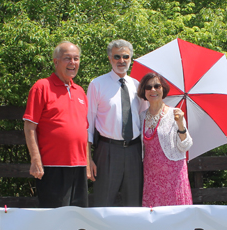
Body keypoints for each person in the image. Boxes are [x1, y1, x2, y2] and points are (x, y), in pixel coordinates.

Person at [23, 41, 88, 208]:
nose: (73, 63)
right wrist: (35, 159)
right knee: (54, 221)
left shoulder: (80, 91)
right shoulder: (42, 87)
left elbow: (84, 130)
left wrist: (87, 162)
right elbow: (30, 126)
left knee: (78, 218)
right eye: (68, 58)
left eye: (76, 58)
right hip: (52, 166)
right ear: (56, 61)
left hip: (79, 166)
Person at [87, 39, 147, 206]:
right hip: (107, 150)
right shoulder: (97, 84)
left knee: (134, 202)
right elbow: (88, 123)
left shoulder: (137, 86)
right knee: (103, 201)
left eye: (125, 56)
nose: (121, 61)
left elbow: (144, 118)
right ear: (109, 58)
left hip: (134, 150)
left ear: (131, 59)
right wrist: (88, 158)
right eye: (117, 57)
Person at [137, 72, 193, 207]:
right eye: (148, 87)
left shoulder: (174, 114)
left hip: (173, 174)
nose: (153, 90)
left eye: (157, 86)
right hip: (151, 175)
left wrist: (180, 125)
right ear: (144, 92)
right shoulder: (140, 116)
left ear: (163, 89)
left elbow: (185, 146)